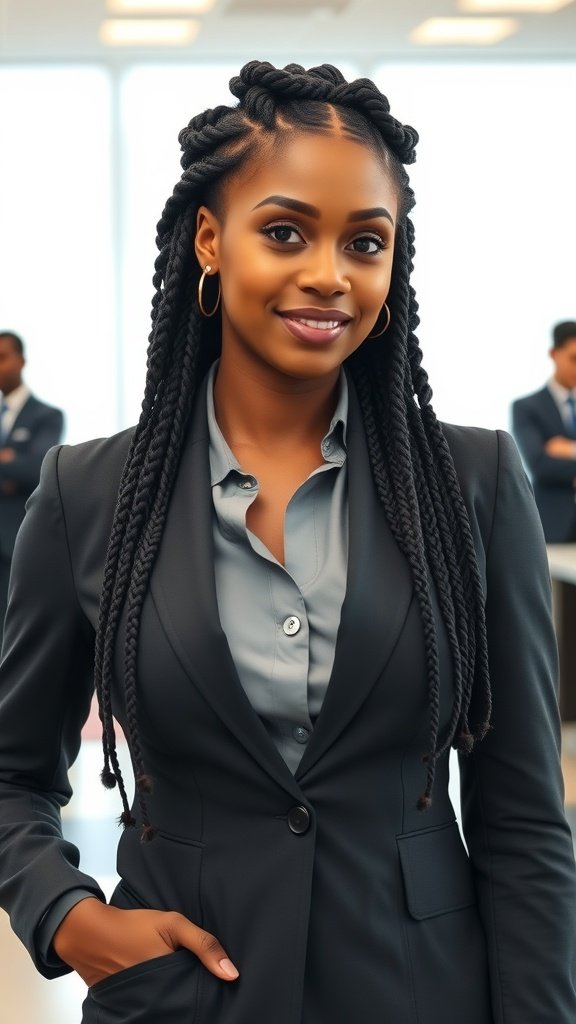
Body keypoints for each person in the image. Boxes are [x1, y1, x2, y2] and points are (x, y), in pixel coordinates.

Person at [0, 62, 574, 1024]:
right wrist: (65, 915)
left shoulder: (470, 485)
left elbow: (522, 819)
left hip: (420, 992)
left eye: (365, 242)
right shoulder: (88, 494)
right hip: (184, 1000)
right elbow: (13, 773)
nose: (329, 274)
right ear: (211, 241)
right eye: (284, 231)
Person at [0, 330, 64, 625]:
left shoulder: (47, 416)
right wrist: (9, 459)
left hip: (15, 542)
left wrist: (18, 466)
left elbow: (36, 467)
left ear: (21, 360)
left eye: (2, 358)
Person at [512, 320, 576, 543]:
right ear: (554, 353)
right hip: (552, 527)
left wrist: (569, 450)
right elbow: (539, 464)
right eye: (573, 359)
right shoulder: (527, 407)